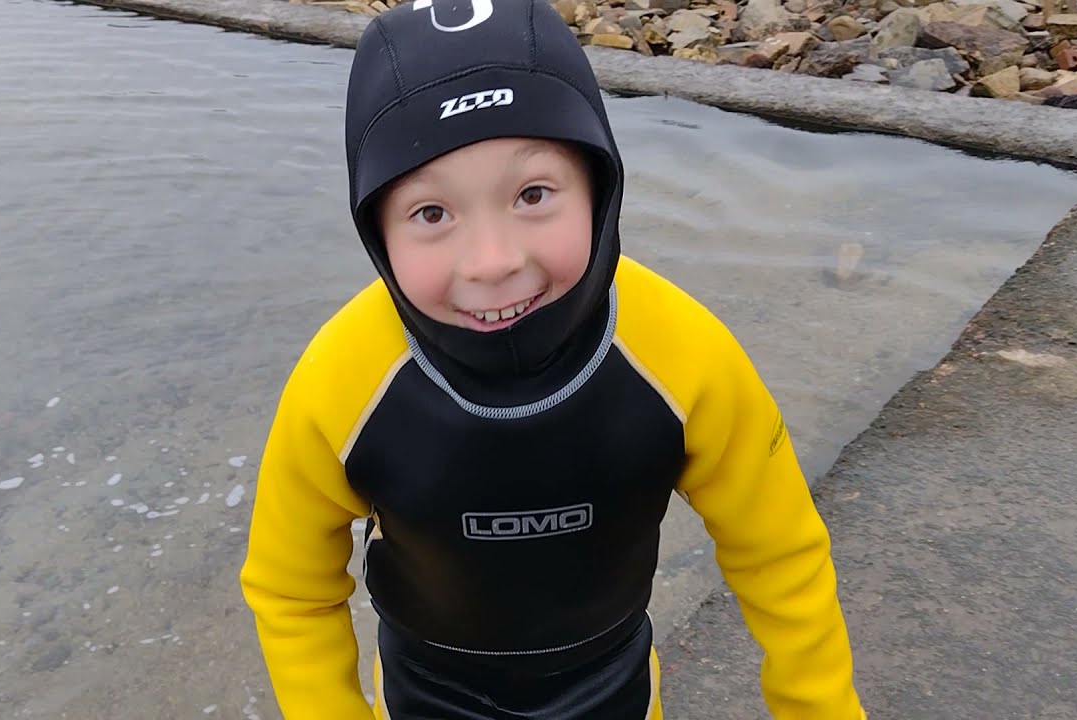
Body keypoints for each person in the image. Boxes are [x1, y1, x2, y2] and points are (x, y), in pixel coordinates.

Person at [240, 0, 867, 717]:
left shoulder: (683, 354)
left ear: (599, 187)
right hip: (426, 695)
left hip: (611, 688)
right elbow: (292, 590)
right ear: (375, 229)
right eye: (431, 213)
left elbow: (779, 553)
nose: (493, 262)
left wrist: (819, 706)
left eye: (533, 194)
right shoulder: (342, 378)